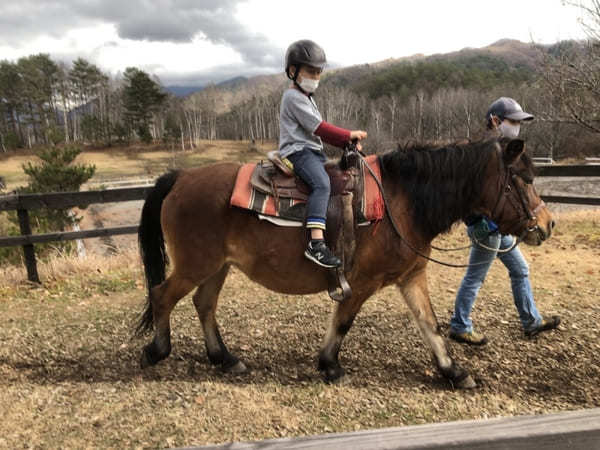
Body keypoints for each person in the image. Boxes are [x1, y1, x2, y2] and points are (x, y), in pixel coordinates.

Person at [449, 97, 560, 344]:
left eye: (519, 123)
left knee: (520, 269)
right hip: (485, 227)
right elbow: (470, 195)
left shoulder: (502, 152)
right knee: (475, 277)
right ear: (495, 121)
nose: (517, 127)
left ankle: (531, 321)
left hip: (500, 226)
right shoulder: (481, 154)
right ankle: (459, 324)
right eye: (513, 122)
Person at [279, 39, 367, 268]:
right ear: (292, 71)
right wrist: (348, 135)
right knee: (322, 184)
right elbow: (319, 129)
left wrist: (346, 145)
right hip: (298, 152)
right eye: (310, 71)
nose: (315, 77)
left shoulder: (306, 98)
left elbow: (318, 131)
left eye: (318, 72)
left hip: (311, 151)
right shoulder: (293, 97)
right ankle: (315, 244)